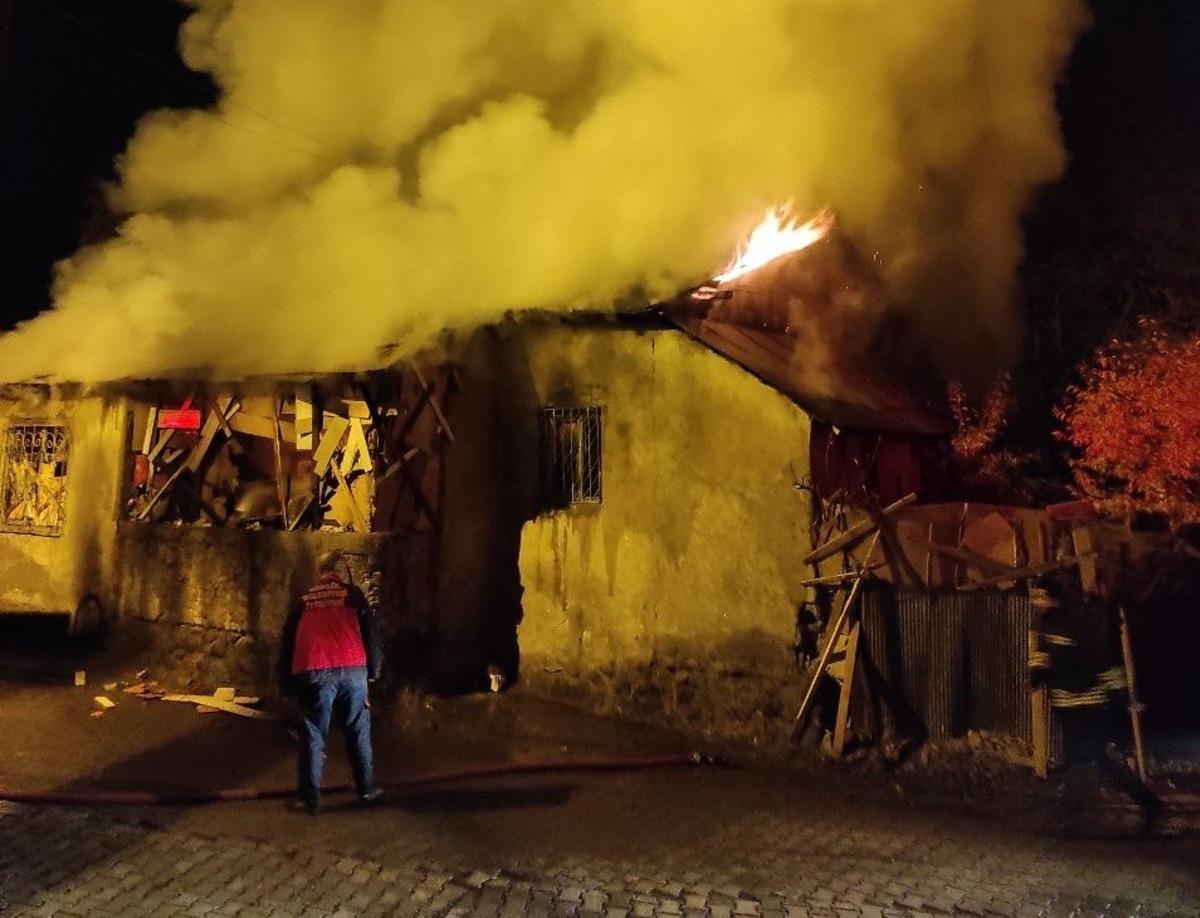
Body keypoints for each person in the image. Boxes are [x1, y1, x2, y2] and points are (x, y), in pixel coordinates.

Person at [279, 549, 383, 814]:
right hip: (352, 669)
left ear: (320, 573)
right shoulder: (353, 595)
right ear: (340, 571)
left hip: (314, 670)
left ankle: (308, 798)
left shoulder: (304, 600)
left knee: (313, 733)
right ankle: (367, 790)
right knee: (358, 730)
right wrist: (373, 670)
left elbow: (288, 642)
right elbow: (370, 632)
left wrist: (286, 683)